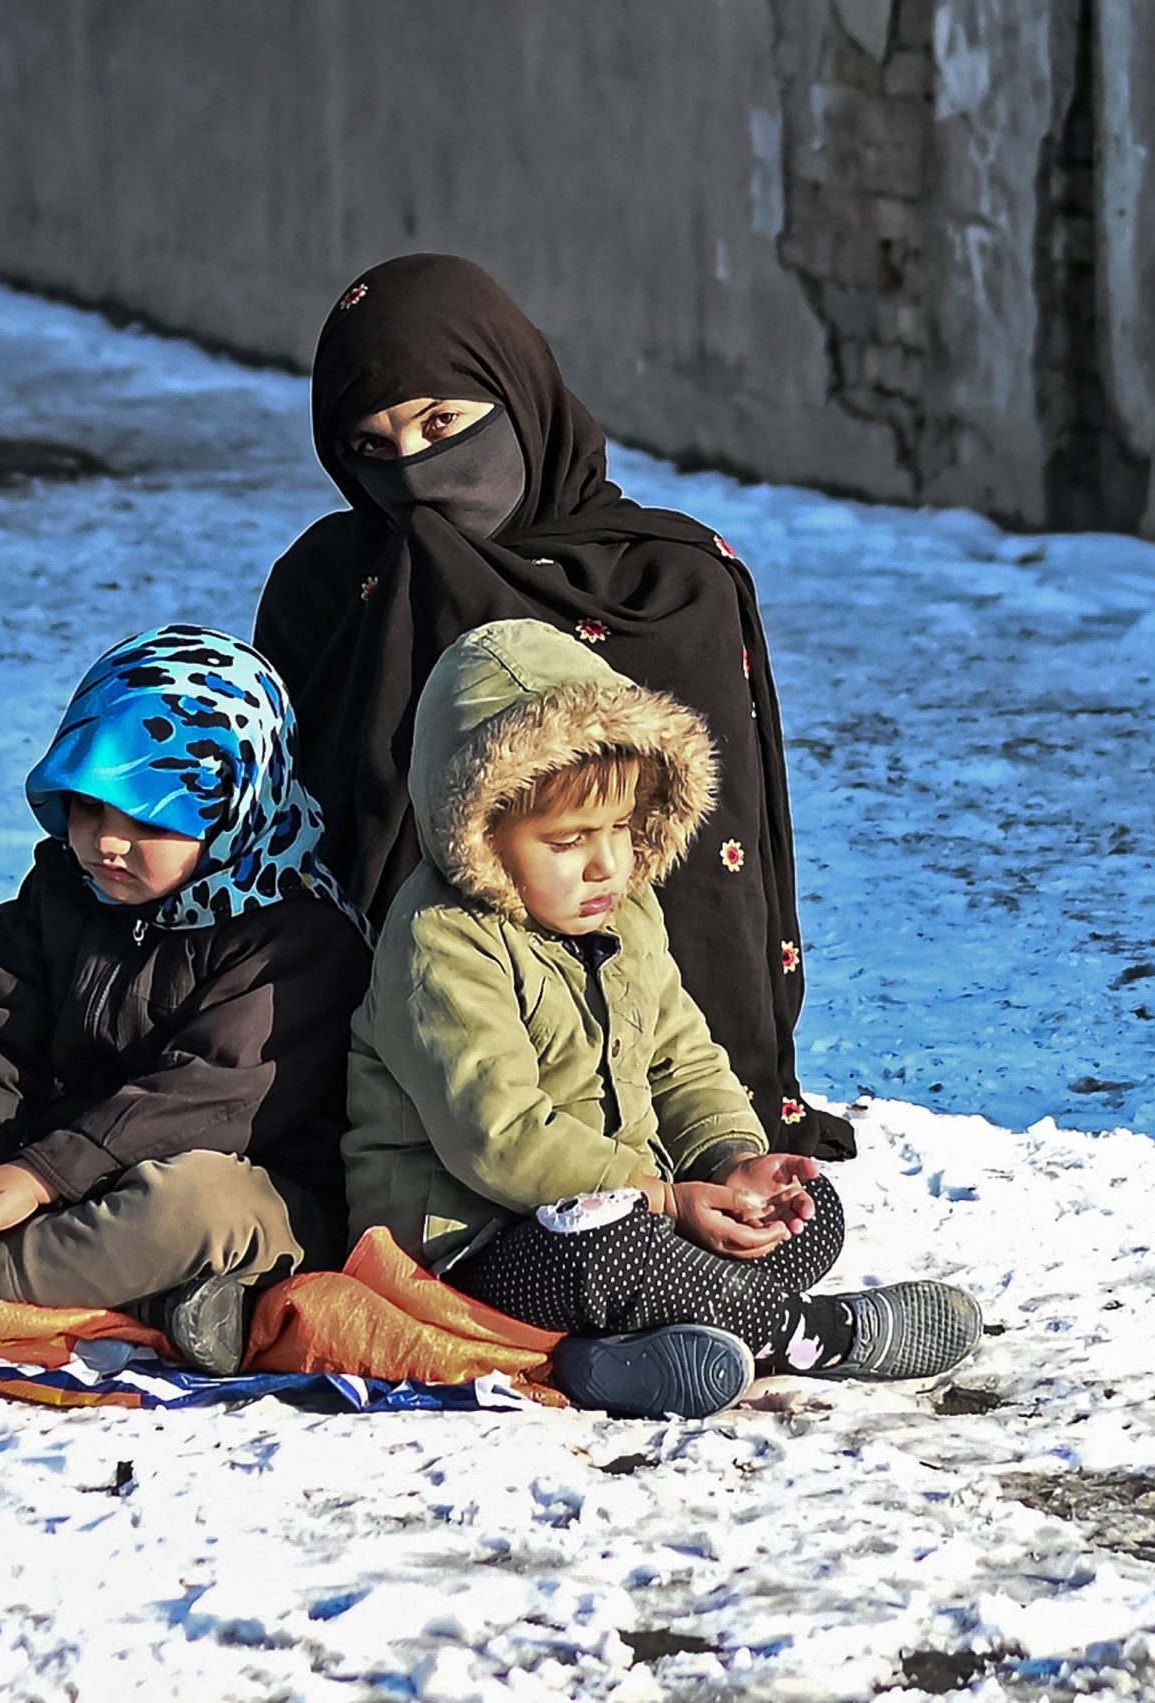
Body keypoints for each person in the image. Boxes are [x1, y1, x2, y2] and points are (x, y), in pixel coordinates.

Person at [254, 253, 851, 1162]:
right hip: (415, 1105)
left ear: (514, 392)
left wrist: (720, 1142)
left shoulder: (665, 586)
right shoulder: (328, 590)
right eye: (373, 448)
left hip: (660, 1080)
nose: (413, 472)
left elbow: (718, 888)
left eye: (442, 423)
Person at [344, 621, 979, 1419]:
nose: (607, 863)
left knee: (806, 1216)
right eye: (568, 840)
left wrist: (730, 1162)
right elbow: (499, 1135)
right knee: (613, 1249)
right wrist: (669, 1201)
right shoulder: (440, 940)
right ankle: (816, 1334)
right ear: (479, 832)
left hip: (633, 1201)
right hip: (476, 1245)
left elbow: (682, 1056)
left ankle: (616, 1360)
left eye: (619, 826)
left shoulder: (628, 912)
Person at [0, 626, 371, 1382]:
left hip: (251, 1189)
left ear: (231, 813)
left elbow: (200, 1100)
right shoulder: (62, 890)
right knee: (22, 1191)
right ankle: (172, 1303)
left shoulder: (299, 934)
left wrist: (34, 1179)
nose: (107, 843)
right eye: (89, 809)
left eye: (148, 822)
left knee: (188, 1207)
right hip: (69, 1162)